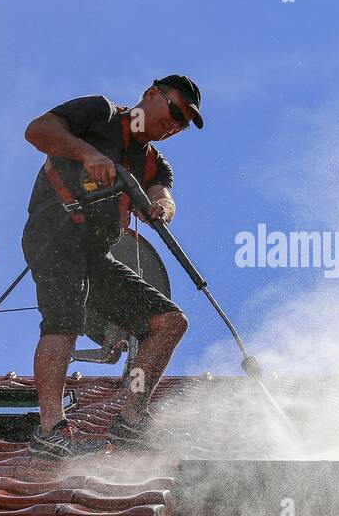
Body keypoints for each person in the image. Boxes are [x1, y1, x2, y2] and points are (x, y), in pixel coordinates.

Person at [20, 75, 203, 456]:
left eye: (182, 124)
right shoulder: (99, 114)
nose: (173, 125)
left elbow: (161, 192)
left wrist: (161, 208)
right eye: (174, 112)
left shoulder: (153, 162)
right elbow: (37, 130)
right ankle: (50, 431)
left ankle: (132, 421)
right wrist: (87, 154)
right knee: (64, 320)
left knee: (168, 323)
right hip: (57, 230)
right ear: (152, 94)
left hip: (95, 254)